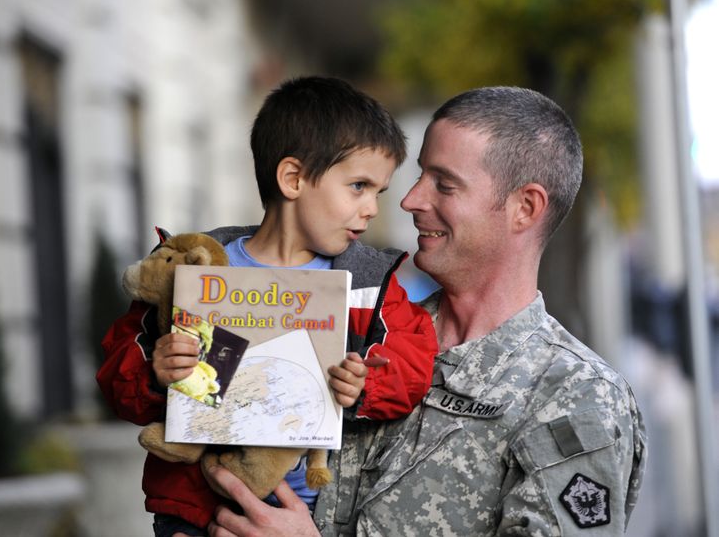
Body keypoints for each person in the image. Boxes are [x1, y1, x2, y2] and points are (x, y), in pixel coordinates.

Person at [200, 86, 647, 536]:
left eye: (444, 184)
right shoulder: (361, 324)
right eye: (419, 177)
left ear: (524, 208)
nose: (410, 200)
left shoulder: (576, 396)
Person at [96, 76, 438, 536]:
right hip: (196, 514)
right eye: (358, 186)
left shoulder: (366, 281)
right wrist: (156, 373)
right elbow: (118, 365)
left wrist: (367, 381)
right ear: (292, 178)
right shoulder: (196, 265)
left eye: (377, 192)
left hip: (308, 512)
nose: (373, 208)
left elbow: (416, 357)